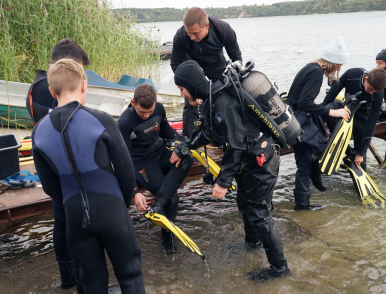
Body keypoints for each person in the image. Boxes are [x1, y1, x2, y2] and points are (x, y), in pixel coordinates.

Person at [32, 59, 145, 294]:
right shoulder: (101, 119)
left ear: (53, 91)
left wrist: (73, 203)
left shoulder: (39, 131)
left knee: (91, 283)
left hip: (74, 218)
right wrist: (119, 206)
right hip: (111, 210)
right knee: (130, 276)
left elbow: (50, 187)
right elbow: (125, 171)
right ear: (84, 85)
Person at [172, 60, 290, 281]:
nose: (181, 94)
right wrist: (185, 146)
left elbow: (236, 143)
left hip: (262, 159)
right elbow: (209, 132)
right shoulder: (210, 98)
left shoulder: (223, 100)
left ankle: (280, 269)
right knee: (245, 205)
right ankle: (252, 243)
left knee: (260, 214)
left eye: (181, 89)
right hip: (248, 160)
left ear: (190, 84)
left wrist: (223, 182)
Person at [26, 38, 90, 289]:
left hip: (54, 164)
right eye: (80, 69)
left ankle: (69, 276)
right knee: (66, 222)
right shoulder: (45, 88)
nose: (81, 77)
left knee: (62, 220)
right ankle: (71, 275)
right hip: (62, 168)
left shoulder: (40, 84)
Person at [117, 84, 193, 254]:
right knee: (172, 198)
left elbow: (166, 130)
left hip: (159, 151)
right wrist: (135, 192)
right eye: (142, 112)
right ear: (132, 102)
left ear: (156, 102)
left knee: (188, 154)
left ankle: (158, 205)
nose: (147, 116)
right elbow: (124, 161)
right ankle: (167, 239)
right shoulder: (124, 122)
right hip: (141, 163)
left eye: (150, 112)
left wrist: (181, 144)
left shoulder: (158, 108)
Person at [285, 36, 350, 211]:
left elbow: (296, 99)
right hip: (300, 121)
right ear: (335, 64)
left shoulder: (309, 67)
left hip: (293, 118)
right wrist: (332, 111)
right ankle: (302, 205)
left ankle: (310, 184)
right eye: (339, 66)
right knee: (304, 162)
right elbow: (305, 103)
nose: (338, 69)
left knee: (312, 154)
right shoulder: (316, 73)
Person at [171, 7, 242, 138]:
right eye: (189, 33)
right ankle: (190, 140)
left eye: (196, 33)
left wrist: (234, 82)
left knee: (226, 99)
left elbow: (237, 60)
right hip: (192, 72)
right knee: (191, 105)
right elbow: (176, 66)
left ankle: (227, 135)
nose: (192, 37)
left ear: (207, 26)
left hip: (218, 67)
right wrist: (187, 90)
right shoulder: (181, 35)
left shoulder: (223, 29)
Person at [323, 67, 386, 170]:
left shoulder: (378, 94)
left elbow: (371, 124)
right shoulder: (352, 74)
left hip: (361, 115)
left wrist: (360, 153)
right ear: (366, 79)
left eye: (374, 91)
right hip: (346, 109)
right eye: (370, 89)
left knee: (360, 158)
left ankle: (357, 160)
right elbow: (331, 94)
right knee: (327, 110)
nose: (371, 93)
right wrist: (321, 118)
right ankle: (346, 149)